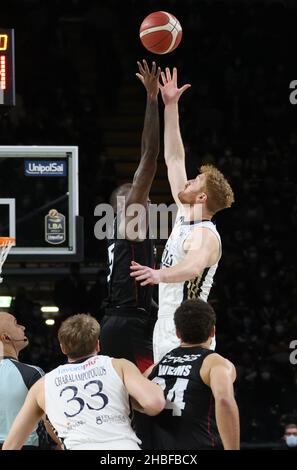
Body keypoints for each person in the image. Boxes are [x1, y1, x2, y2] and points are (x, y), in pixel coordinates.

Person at [130, 67, 235, 361]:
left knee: (185, 406)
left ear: (202, 197)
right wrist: (171, 105)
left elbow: (191, 268)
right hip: (166, 323)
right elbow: (174, 158)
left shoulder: (205, 235)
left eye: (194, 182)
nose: (186, 181)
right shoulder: (186, 213)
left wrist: (157, 274)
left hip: (191, 332)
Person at [2, 314, 165, 450]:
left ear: (63, 348)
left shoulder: (43, 385)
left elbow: (11, 445)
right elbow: (154, 403)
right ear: (98, 344)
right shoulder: (118, 366)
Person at [99, 59, 160, 372]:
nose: (145, 198)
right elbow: (150, 156)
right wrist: (152, 101)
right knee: (151, 396)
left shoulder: (120, 230)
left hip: (119, 319)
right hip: (128, 324)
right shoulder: (129, 221)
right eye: (138, 194)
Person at [141, 299, 240, 450]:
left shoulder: (155, 368)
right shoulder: (215, 363)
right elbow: (225, 400)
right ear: (213, 331)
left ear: (178, 333)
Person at [0, 312, 45, 449]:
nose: (23, 327)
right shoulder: (32, 373)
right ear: (6, 337)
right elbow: (50, 420)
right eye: (16, 323)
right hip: (24, 445)